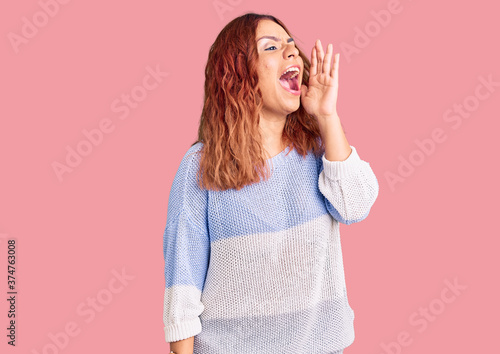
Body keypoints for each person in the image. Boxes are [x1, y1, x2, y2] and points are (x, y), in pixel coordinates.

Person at [163, 12, 379, 354]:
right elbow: (183, 284)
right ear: (239, 74)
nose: (292, 51)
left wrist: (326, 116)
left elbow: (355, 206)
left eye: (291, 45)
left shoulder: (320, 150)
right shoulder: (200, 168)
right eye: (272, 47)